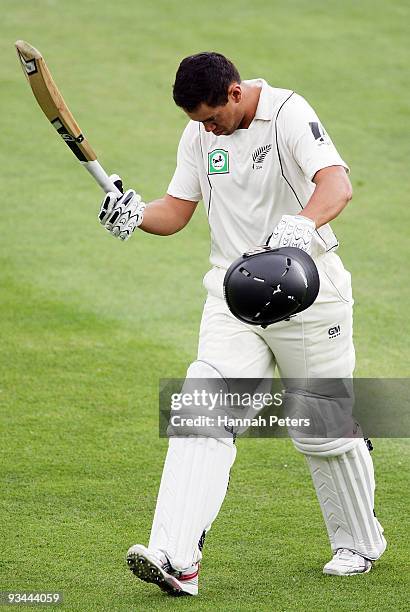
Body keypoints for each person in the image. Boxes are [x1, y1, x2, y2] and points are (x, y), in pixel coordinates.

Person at [98, 52, 386, 596]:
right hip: (233, 300)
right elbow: (177, 212)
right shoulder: (199, 135)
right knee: (200, 410)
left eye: (212, 118)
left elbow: (337, 185)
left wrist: (303, 225)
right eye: (196, 122)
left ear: (235, 93)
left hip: (307, 294)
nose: (207, 130)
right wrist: (134, 214)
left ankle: (359, 542)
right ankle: (176, 557)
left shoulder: (290, 114)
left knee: (322, 432)